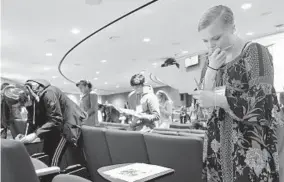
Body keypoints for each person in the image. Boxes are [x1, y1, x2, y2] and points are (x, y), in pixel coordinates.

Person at [193, 5, 279, 181]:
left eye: (216, 38)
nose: (210, 46)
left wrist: (219, 99)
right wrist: (211, 70)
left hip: (249, 149)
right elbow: (203, 107)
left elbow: (262, 104)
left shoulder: (255, 52)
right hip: (216, 148)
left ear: (233, 28)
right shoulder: (211, 59)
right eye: (205, 41)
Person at [19, 79, 87, 169]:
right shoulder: (32, 98)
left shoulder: (49, 93)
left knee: (54, 160)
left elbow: (56, 119)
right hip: (52, 126)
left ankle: (52, 175)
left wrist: (35, 134)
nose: (27, 106)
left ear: (29, 96)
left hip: (66, 125)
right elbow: (32, 119)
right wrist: (25, 135)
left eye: (27, 103)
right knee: (46, 155)